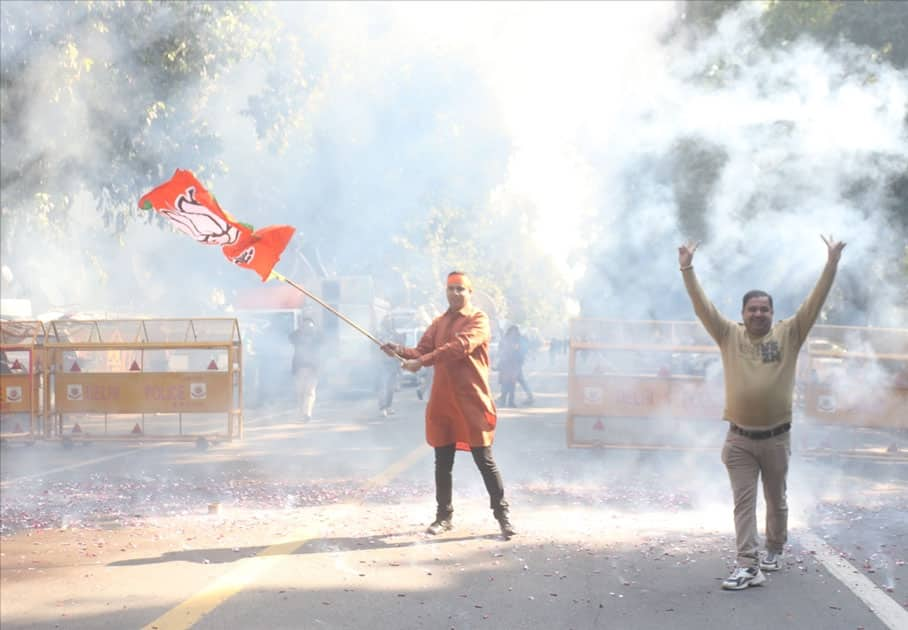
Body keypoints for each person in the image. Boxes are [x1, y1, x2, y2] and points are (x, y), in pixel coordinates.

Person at [679, 234, 845, 590]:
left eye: (764, 309)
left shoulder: (790, 333)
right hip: (738, 438)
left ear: (772, 312)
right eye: (752, 309)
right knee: (743, 503)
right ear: (742, 314)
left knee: (775, 498)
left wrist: (831, 264)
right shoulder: (727, 335)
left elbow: (815, 303)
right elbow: (701, 306)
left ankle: (775, 547)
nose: (758, 313)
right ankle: (747, 565)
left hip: (776, 437)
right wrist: (687, 268)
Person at [381, 271, 516, 539]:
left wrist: (422, 362)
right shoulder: (438, 322)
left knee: (484, 460)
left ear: (470, 292)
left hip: (471, 401)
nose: (454, 293)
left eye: (460, 289)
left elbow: (459, 347)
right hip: (443, 401)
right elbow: (421, 350)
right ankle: (444, 516)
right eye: (450, 289)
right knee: (442, 462)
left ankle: (503, 515)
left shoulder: (479, 319)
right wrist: (398, 349)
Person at [289, 317, 321, 422]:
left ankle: (307, 413)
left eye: (309, 326)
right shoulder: (297, 336)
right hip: (299, 368)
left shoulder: (317, 337)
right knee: (300, 393)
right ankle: (301, 413)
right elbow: (291, 337)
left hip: (313, 368)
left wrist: (314, 330)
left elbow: (324, 339)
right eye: (305, 325)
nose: (307, 328)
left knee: (310, 392)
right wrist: (300, 329)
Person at [496, 325, 521, 407]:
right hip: (505, 365)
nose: (513, 334)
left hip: (513, 364)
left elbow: (519, 353)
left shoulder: (517, 341)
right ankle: (503, 400)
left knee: (512, 384)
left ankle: (511, 401)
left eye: (515, 332)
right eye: (512, 332)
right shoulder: (504, 340)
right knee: (505, 384)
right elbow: (500, 351)